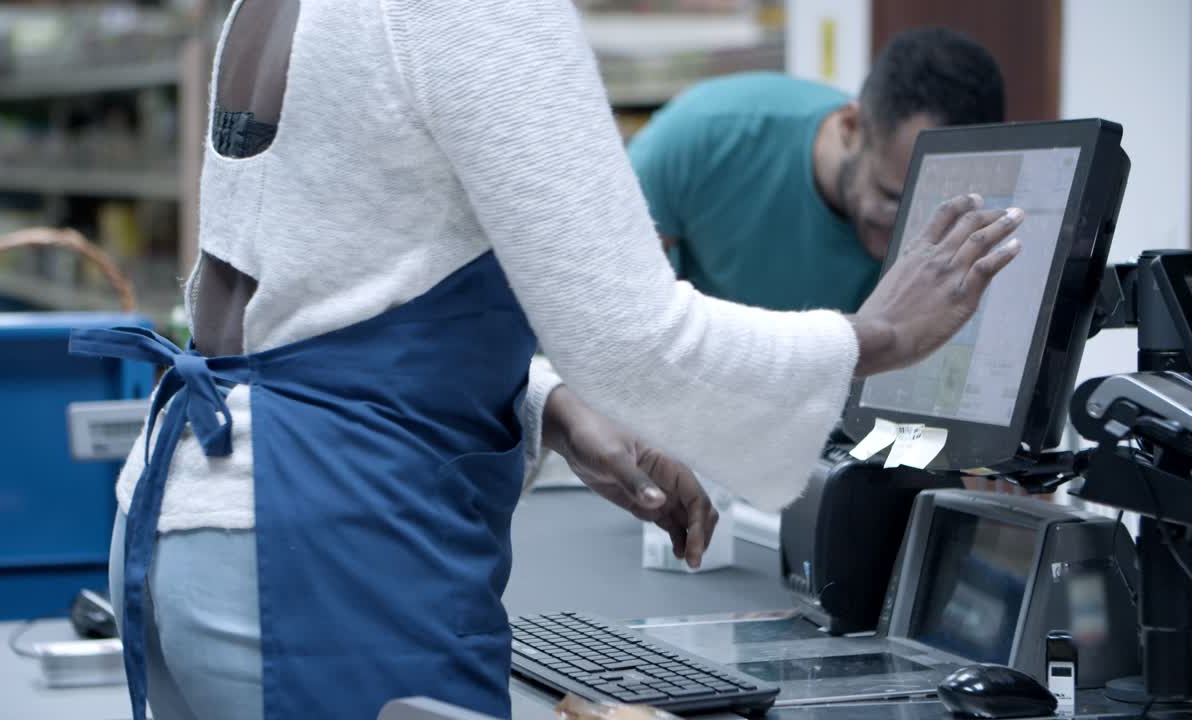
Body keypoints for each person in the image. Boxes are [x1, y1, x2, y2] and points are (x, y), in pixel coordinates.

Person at [69, 2, 1023, 719]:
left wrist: (558, 410)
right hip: (327, 557)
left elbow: (326, 297)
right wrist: (876, 336)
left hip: (196, 525)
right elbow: (639, 337)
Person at [629, 27, 1006, 313]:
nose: (914, 233)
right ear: (850, 127)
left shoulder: (966, 226)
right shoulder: (702, 137)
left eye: (940, 207)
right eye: (893, 198)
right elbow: (616, 302)